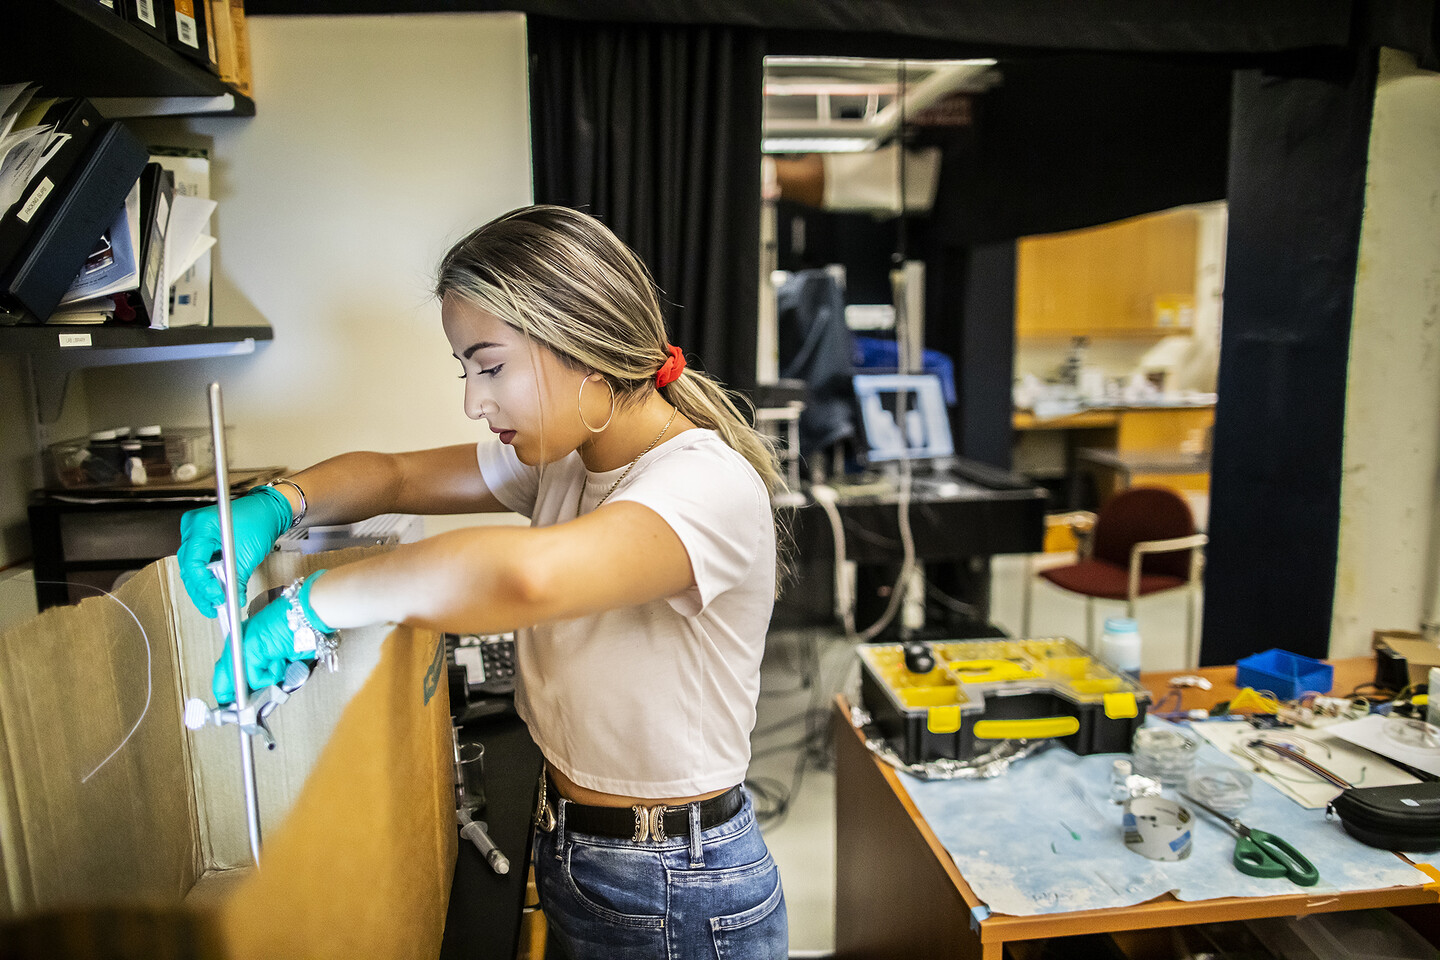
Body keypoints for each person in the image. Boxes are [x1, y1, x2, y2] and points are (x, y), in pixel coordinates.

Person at [176, 204, 789, 959]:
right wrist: (279, 502)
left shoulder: (702, 485)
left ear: (582, 345)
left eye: (491, 366)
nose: (474, 400)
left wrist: (312, 607)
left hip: (673, 885)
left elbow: (526, 579)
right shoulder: (568, 458)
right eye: (466, 370)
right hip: (583, 851)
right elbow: (394, 475)